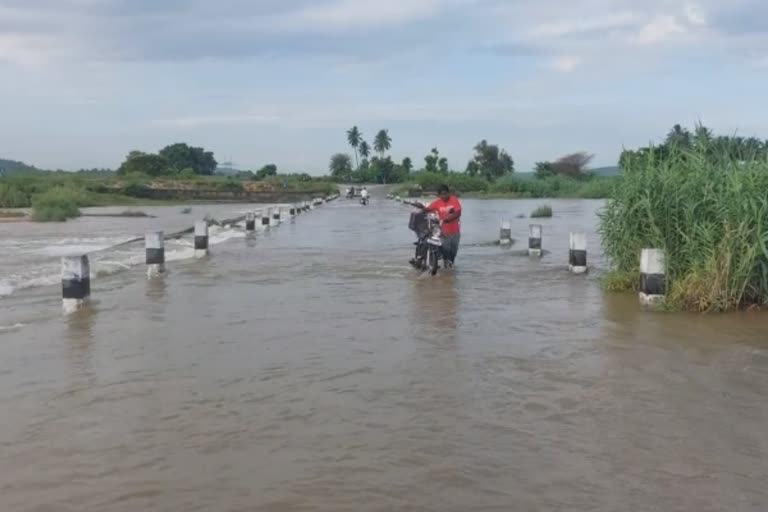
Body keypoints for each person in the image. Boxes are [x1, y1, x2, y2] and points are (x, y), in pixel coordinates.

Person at [425, 184, 462, 267]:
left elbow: (458, 213)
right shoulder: (437, 202)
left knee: (453, 252)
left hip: (455, 231)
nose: (444, 196)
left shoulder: (454, 200)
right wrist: (421, 208)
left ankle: (450, 267)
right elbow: (428, 209)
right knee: (446, 250)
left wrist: (447, 219)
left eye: (445, 194)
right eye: (442, 194)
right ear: (439, 195)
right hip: (444, 232)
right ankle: (446, 267)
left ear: (449, 193)